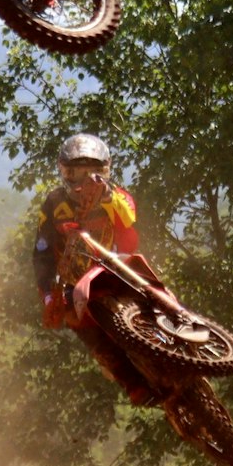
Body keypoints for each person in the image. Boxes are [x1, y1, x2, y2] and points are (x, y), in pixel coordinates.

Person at [30, 133, 162, 407]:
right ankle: (132, 384)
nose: (83, 181)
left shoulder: (117, 195)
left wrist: (108, 197)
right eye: (75, 172)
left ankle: (177, 325)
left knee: (152, 284)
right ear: (63, 171)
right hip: (75, 278)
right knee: (81, 325)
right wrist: (47, 295)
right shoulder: (54, 203)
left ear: (105, 171)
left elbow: (129, 220)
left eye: (92, 172)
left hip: (116, 264)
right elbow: (42, 251)